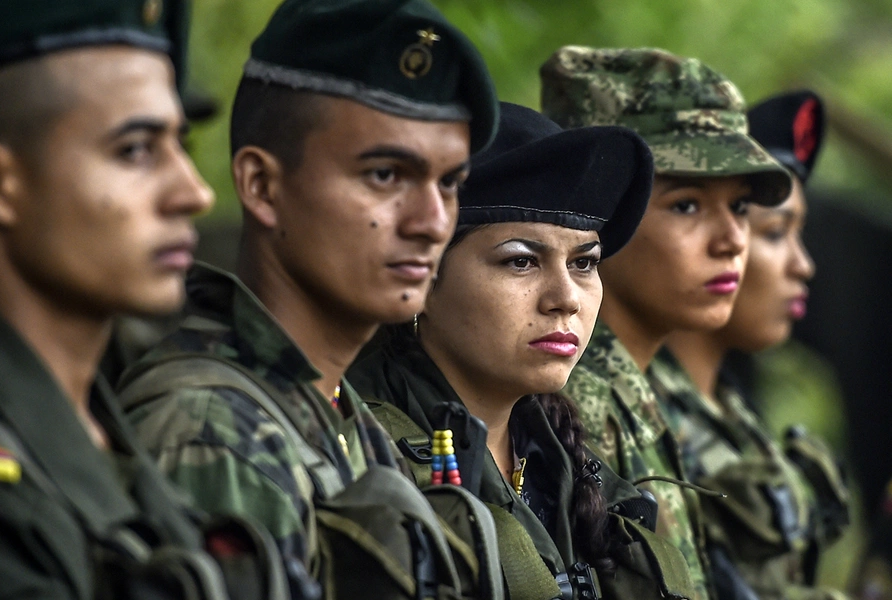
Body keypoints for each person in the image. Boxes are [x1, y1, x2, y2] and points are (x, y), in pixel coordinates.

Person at [116, 0, 503, 598]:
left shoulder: (334, 407)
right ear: (262, 187)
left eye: (449, 183)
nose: (431, 221)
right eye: (385, 175)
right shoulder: (212, 432)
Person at [0, 1, 301, 599]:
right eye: (134, 150)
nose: (194, 192)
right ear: (1, 182)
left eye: (180, 144)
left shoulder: (99, 431)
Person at [350, 102, 696, 600]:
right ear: (424, 272)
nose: (565, 299)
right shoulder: (363, 459)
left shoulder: (569, 467)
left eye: (584, 264)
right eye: (521, 262)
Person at [540, 46, 793, 600]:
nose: (733, 240)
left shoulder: (637, 388)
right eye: (687, 205)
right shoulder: (568, 404)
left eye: (741, 207)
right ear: (599, 210)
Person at [652, 90, 849, 600]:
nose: (803, 266)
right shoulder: (623, 418)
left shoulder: (734, 415)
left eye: (741, 212)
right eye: (776, 232)